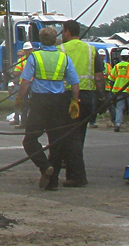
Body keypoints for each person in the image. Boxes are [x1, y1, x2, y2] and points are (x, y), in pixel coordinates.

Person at [15, 27, 81, 190]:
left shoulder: (35, 57)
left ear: (41, 40)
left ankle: (44, 167)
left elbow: (25, 82)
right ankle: (52, 183)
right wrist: (74, 101)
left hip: (40, 102)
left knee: (30, 140)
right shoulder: (64, 58)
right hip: (59, 102)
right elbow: (74, 83)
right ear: (55, 40)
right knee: (56, 142)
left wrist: (19, 99)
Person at [59, 20, 104, 187]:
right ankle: (72, 171)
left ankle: (76, 175)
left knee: (69, 137)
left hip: (68, 97)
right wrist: (101, 98)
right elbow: (99, 78)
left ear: (68, 32)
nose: (62, 35)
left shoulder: (61, 50)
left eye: (62, 31)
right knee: (79, 136)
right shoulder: (91, 50)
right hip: (87, 98)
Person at [109, 49, 129, 132]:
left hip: (119, 90)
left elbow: (111, 78)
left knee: (120, 108)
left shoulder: (117, 66)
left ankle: (117, 124)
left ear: (121, 57)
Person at [9, 43, 32, 126]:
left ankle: (33, 122)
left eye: (29, 49)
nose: (28, 51)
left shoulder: (35, 58)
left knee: (34, 104)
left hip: (33, 84)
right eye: (27, 50)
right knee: (23, 103)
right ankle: (23, 122)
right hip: (24, 84)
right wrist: (23, 72)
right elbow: (15, 72)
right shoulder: (21, 61)